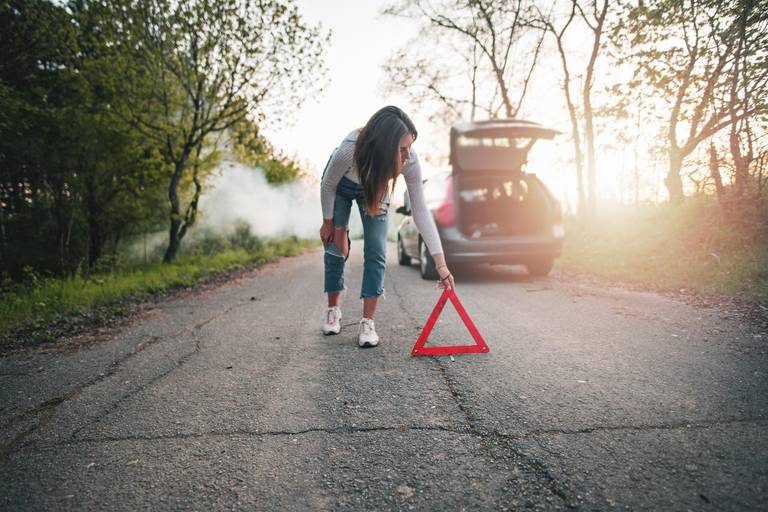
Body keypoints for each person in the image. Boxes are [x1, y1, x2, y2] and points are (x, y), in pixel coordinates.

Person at [319, 106, 455, 347]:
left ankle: (367, 322)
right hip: (340, 186)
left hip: (376, 185)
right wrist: (328, 223)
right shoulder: (348, 150)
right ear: (383, 146)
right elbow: (328, 185)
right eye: (402, 149)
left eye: (410, 146)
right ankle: (333, 309)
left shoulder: (409, 161)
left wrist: (441, 264)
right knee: (335, 249)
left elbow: (420, 210)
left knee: (376, 251)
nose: (408, 154)